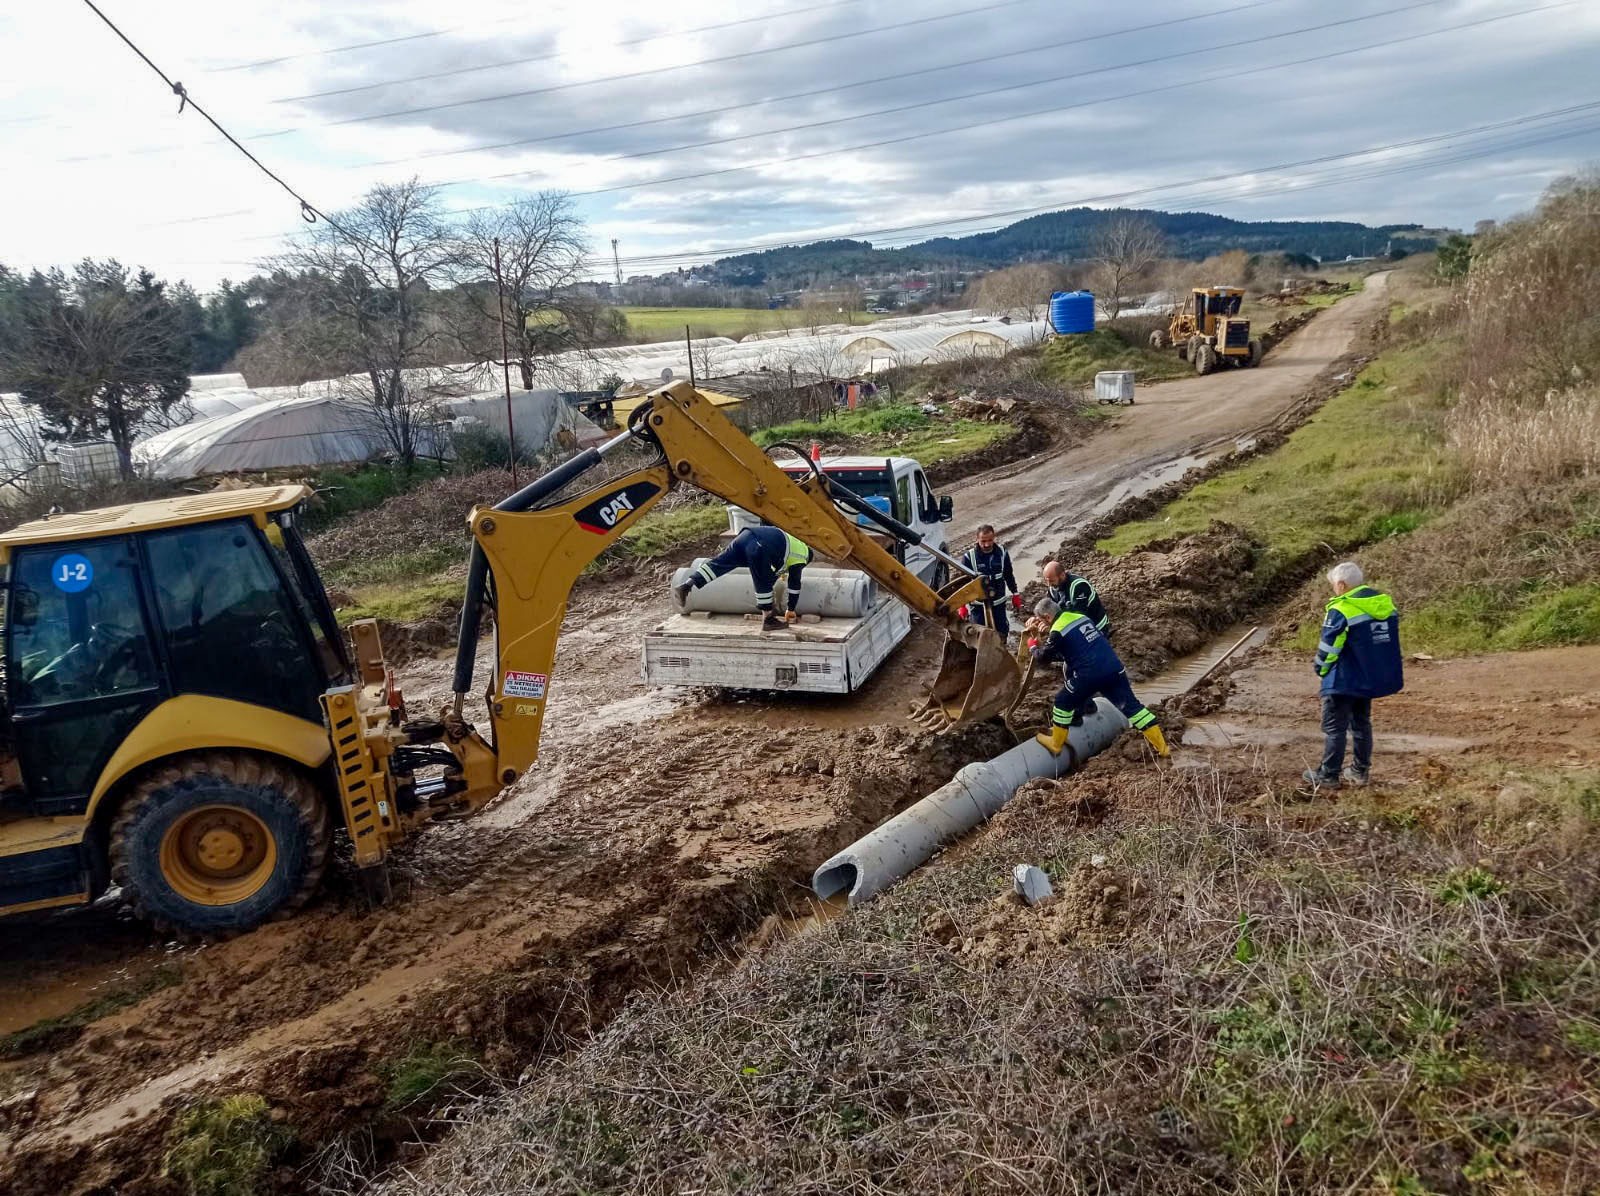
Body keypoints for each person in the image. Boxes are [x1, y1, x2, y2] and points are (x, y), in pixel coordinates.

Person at [1025, 597, 1167, 758]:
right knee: (1134, 709)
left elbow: (1043, 659)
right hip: (1113, 668)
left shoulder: (1057, 630)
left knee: (1062, 703)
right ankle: (1163, 748)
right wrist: (1049, 635)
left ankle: (1056, 744)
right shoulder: (1080, 617)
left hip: (1089, 675)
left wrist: (1033, 645)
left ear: (1047, 618)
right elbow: (1076, 645)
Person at [1304, 561, 1403, 788]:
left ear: (1341, 585)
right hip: (1367, 677)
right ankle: (1359, 771)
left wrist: (1320, 669)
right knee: (1361, 724)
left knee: (1334, 728)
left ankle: (1328, 775)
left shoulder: (1341, 609)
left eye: (1333, 586)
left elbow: (1329, 647)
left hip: (1342, 679)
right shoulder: (1383, 605)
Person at [674, 524, 812, 632]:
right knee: (761, 580)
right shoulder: (802, 556)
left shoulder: (794, 542)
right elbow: (794, 585)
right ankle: (768, 620)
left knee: (719, 564)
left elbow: (775, 569)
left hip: (745, 536)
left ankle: (687, 585)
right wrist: (791, 608)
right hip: (760, 545)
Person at [961, 524, 1021, 637]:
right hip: (978, 607)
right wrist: (962, 606)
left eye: (990, 540)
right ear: (977, 539)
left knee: (1001, 634)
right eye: (983, 541)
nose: (987, 544)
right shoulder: (969, 557)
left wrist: (1015, 593)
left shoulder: (1002, 553)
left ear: (994, 538)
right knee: (978, 636)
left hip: (998, 605)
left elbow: (1008, 574)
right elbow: (963, 584)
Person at [1042, 559, 1111, 636]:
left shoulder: (1079, 586)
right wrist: (1040, 618)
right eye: (1046, 581)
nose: (1048, 585)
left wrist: (1053, 624)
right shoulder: (1053, 587)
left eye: (1051, 581)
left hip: (1096, 626)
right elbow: (1050, 608)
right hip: (1076, 624)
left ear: (1062, 575)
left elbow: (1079, 615)